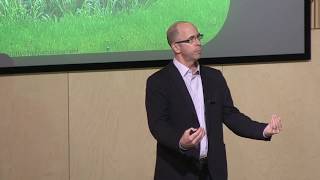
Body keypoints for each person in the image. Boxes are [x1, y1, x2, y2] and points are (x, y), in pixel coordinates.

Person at [145, 21, 282, 180]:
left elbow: (231, 115)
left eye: (198, 37)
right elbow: (158, 125)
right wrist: (180, 142)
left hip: (212, 171)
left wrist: (264, 130)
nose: (198, 43)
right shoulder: (158, 81)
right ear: (176, 47)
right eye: (191, 39)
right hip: (177, 171)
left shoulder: (214, 77)